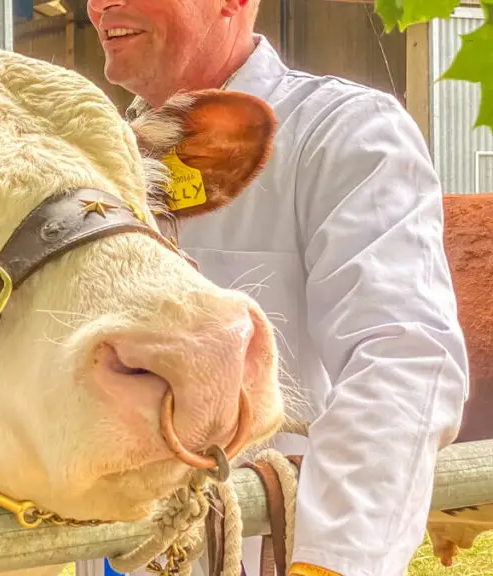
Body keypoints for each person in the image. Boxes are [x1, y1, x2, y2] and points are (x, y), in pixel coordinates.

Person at [79, 0, 471, 575]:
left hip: (273, 549)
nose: (99, 4)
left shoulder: (342, 133)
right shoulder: (90, 157)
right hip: (119, 551)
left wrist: (330, 562)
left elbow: (403, 356)